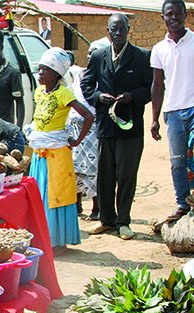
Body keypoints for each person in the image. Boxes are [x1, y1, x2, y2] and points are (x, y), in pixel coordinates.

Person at [81, 14, 153, 240]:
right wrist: (98, 96)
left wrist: (132, 96)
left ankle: (123, 222)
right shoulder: (99, 55)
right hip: (105, 126)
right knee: (105, 174)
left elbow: (151, 88)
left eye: (122, 28)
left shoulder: (141, 56)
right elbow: (86, 83)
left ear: (128, 29)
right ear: (108, 31)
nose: (118, 32)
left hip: (130, 126)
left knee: (126, 175)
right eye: (114, 29)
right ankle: (107, 220)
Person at [151, 0, 194, 222]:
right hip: (173, 112)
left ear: (185, 15)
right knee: (177, 161)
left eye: (178, 14)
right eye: (169, 15)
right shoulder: (159, 49)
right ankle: (182, 204)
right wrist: (154, 118)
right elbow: (157, 85)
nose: (174, 18)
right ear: (163, 18)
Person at [26, 47, 94, 252]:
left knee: (55, 196)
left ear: (56, 74)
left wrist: (77, 140)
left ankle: (57, 241)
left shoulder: (64, 93)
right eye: (39, 69)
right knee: (40, 195)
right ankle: (42, 239)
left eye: (44, 70)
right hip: (40, 154)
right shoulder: (39, 92)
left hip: (57, 154)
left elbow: (88, 116)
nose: (40, 74)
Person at [66, 43, 105, 221]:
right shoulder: (79, 74)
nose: (90, 57)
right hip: (74, 127)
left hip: (92, 127)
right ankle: (77, 204)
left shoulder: (103, 77)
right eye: (89, 53)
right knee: (74, 167)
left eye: (94, 54)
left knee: (92, 168)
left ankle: (97, 208)